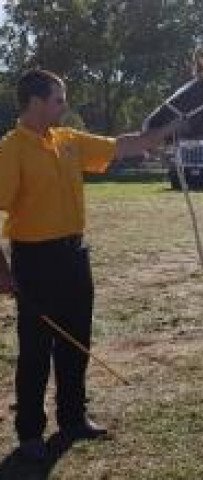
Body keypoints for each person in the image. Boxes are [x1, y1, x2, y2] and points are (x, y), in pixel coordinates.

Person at [0, 69, 183, 461]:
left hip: (74, 256)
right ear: (35, 102)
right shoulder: (11, 149)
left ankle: (73, 419)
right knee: (35, 350)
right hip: (34, 260)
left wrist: (168, 128)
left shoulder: (69, 140)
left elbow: (122, 145)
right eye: (58, 100)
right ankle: (30, 433)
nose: (65, 107)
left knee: (76, 341)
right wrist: (2, 270)